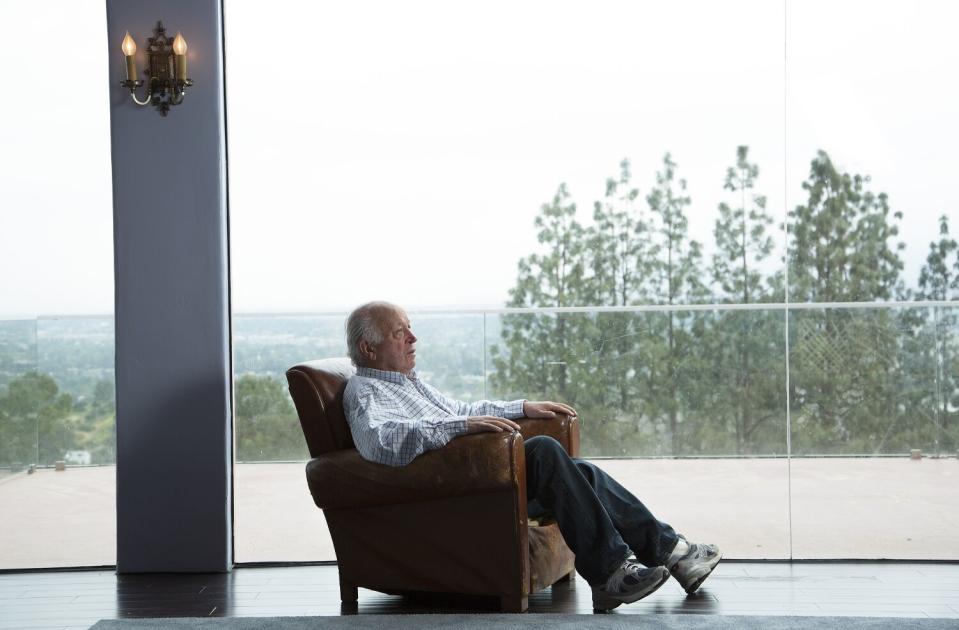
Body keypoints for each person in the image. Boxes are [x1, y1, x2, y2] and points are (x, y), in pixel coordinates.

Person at [342, 301, 721, 611]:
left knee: (581, 473)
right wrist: (461, 427)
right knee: (541, 451)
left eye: (409, 327)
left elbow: (464, 407)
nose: (413, 338)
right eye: (399, 332)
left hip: (477, 486)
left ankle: (674, 554)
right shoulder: (365, 391)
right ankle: (611, 573)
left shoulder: (410, 384)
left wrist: (521, 406)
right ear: (368, 349)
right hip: (454, 494)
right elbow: (380, 442)